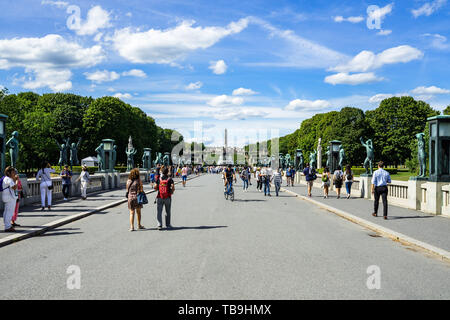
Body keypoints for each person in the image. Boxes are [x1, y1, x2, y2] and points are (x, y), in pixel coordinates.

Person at [2, 166, 19, 232]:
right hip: (10, 197)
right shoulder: (8, 179)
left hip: (7, 197)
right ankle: (8, 227)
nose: (14, 173)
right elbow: (14, 187)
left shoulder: (6, 178)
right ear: (9, 173)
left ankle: (7, 225)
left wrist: (14, 179)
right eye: (13, 172)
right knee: (9, 212)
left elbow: (12, 184)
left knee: (6, 211)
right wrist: (17, 180)